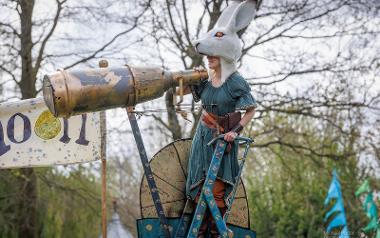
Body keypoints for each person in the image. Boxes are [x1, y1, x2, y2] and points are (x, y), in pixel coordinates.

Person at [184, 0, 259, 236]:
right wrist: (182, 82)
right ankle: (201, 231)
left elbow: (250, 110)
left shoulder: (236, 81)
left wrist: (234, 132)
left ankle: (217, 233)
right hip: (202, 139)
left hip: (221, 143)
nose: (208, 58)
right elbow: (190, 93)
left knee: (214, 191)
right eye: (208, 56)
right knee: (197, 190)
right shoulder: (206, 79)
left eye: (212, 55)